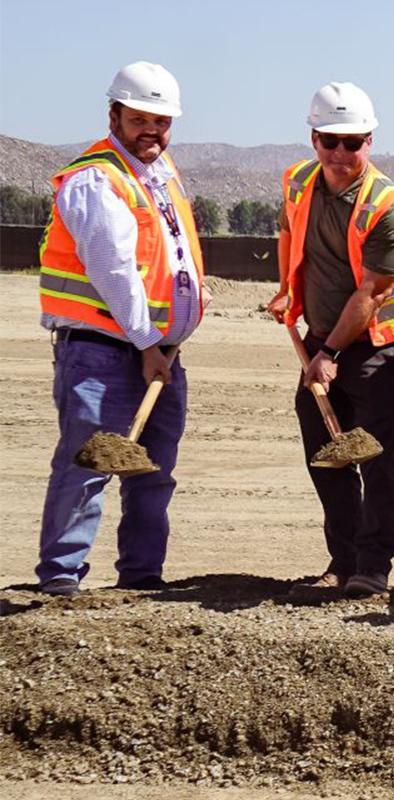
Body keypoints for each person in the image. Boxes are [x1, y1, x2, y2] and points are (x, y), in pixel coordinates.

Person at [34, 62, 206, 596]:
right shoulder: (96, 178)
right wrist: (149, 342)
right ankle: (60, 579)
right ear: (114, 115)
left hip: (159, 352)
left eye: (162, 121)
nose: (151, 130)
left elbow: (166, 255)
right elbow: (114, 271)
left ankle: (141, 578)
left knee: (152, 472)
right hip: (106, 352)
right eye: (140, 119)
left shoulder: (159, 173)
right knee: (88, 465)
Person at [261, 82, 394, 598]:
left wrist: (328, 354)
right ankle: (344, 558)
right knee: (326, 453)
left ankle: (373, 566)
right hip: (319, 339)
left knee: (377, 460)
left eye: (352, 143)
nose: (340, 153)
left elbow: (370, 294)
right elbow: (292, 239)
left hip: (380, 348)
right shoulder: (297, 183)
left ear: (369, 142)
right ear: (313, 138)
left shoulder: (393, 208)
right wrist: (288, 295)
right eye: (329, 141)